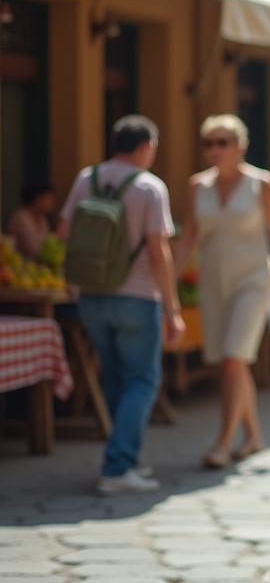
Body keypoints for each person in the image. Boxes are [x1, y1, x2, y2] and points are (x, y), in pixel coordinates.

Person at [58, 115, 185, 496]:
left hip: (92, 295)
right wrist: (172, 307)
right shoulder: (150, 187)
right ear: (146, 146)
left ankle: (126, 458)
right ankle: (117, 467)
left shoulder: (87, 178)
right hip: (137, 296)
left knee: (115, 377)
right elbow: (157, 250)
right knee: (142, 380)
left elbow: (65, 232)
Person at [177, 115, 270, 469]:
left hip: (254, 279)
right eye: (208, 143)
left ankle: (223, 444)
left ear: (240, 146)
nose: (214, 149)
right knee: (231, 363)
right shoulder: (197, 186)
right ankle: (254, 435)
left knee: (233, 359)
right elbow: (188, 240)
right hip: (212, 280)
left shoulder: (262, 183)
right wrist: (167, 280)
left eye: (222, 142)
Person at [7, 182, 55, 260]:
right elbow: (34, 249)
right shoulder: (21, 218)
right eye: (49, 198)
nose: (52, 202)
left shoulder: (42, 217)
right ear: (38, 198)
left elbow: (47, 243)